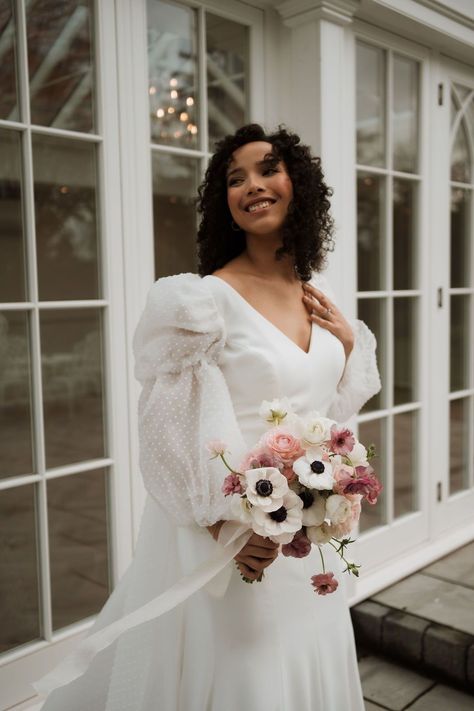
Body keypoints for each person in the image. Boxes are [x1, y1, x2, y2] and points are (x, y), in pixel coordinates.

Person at [32, 123, 381, 710]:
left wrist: (345, 346)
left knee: (307, 654)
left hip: (309, 543)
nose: (252, 185)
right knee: (248, 677)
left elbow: (328, 415)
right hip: (238, 538)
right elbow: (170, 428)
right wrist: (229, 527)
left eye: (268, 169)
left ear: (300, 185)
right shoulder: (202, 303)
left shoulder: (314, 295)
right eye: (234, 179)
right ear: (224, 204)